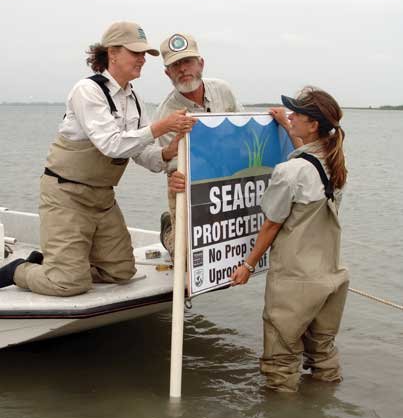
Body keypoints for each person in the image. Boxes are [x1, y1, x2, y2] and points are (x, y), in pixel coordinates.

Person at [0, 21, 196, 297]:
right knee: (68, 284)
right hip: (66, 195)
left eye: (144, 54)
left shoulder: (134, 98)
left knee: (122, 273)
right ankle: (19, 269)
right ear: (112, 53)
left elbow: (145, 156)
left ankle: (64, 263)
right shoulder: (87, 91)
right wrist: (162, 127)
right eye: (136, 52)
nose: (142, 59)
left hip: (102, 198)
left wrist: (170, 150)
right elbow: (111, 145)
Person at [231, 87, 349, 393]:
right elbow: (307, 161)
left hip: (295, 282)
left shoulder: (289, 171)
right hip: (331, 277)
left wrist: (247, 264)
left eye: (297, 113)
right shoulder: (336, 164)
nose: (291, 116)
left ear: (313, 125)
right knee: (323, 354)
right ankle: (323, 412)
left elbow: (271, 224)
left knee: (280, 363)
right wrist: (286, 125)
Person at [154, 32, 243, 258]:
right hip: (187, 181)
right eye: (175, 65)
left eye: (187, 61)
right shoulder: (165, 114)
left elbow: (243, 130)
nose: (183, 69)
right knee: (185, 255)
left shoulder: (223, 90)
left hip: (226, 177)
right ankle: (168, 231)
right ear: (167, 73)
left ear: (200, 64)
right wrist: (175, 175)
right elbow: (173, 165)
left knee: (230, 242)